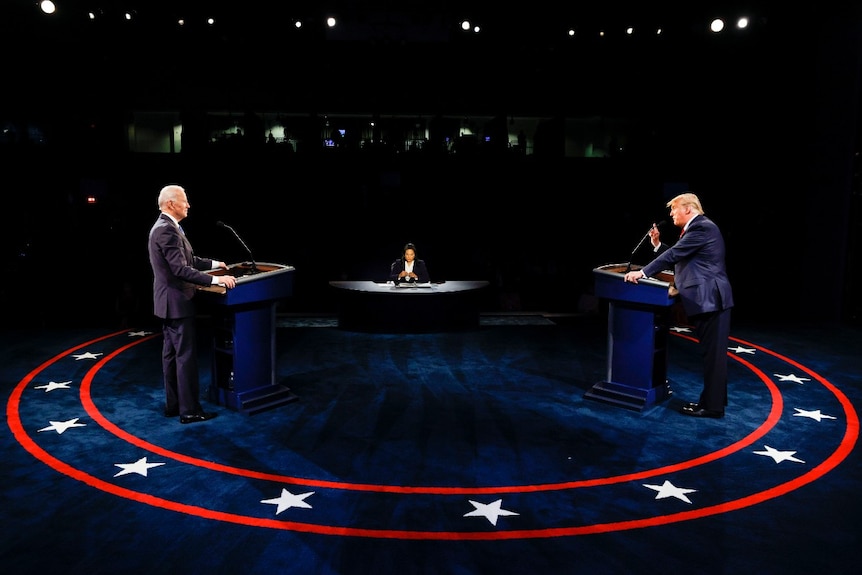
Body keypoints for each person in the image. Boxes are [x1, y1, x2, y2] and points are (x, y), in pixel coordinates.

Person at [623, 192, 734, 418]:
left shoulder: (702, 227)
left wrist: (642, 272)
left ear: (688, 208)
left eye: (674, 209)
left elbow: (676, 254)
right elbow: (683, 256)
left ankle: (712, 407)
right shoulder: (698, 229)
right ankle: (711, 402)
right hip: (709, 299)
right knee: (712, 356)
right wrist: (656, 245)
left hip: (711, 299)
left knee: (714, 357)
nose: (672, 213)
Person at [148, 184, 237, 424]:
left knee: (171, 356)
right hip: (177, 302)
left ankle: (174, 405)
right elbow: (180, 269)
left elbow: (188, 260)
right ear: (171, 204)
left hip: (168, 303)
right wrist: (217, 280)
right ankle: (189, 411)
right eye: (184, 201)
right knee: (184, 357)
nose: (188, 205)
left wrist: (215, 263)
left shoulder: (167, 227)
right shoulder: (166, 230)